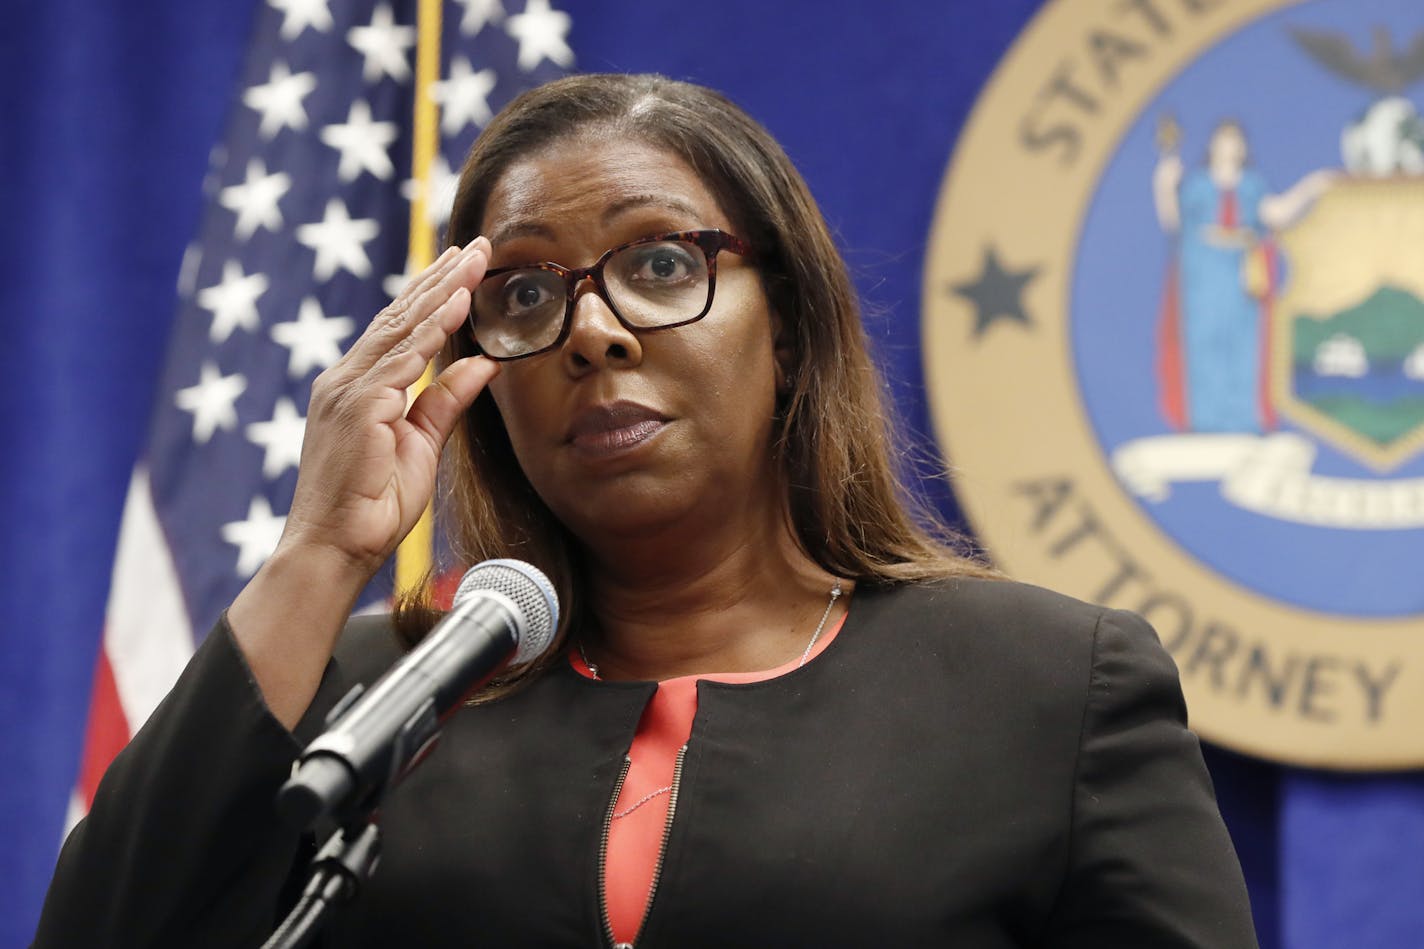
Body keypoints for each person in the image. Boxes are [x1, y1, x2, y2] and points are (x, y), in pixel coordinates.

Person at [37, 74, 1256, 947]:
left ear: (784, 316)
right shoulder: (381, 689)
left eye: (661, 264)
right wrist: (316, 553)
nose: (596, 329)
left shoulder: (1045, 686)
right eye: (524, 294)